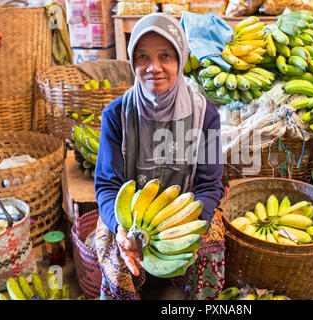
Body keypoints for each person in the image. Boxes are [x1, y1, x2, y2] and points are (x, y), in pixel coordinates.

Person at [94, 13, 225, 300]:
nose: (154, 67)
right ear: (132, 62)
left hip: (186, 208)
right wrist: (120, 230)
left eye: (165, 55)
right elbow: (106, 186)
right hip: (128, 218)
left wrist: (182, 227)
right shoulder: (116, 115)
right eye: (143, 57)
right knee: (110, 252)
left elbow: (209, 185)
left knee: (212, 243)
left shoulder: (206, 114)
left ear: (180, 58)